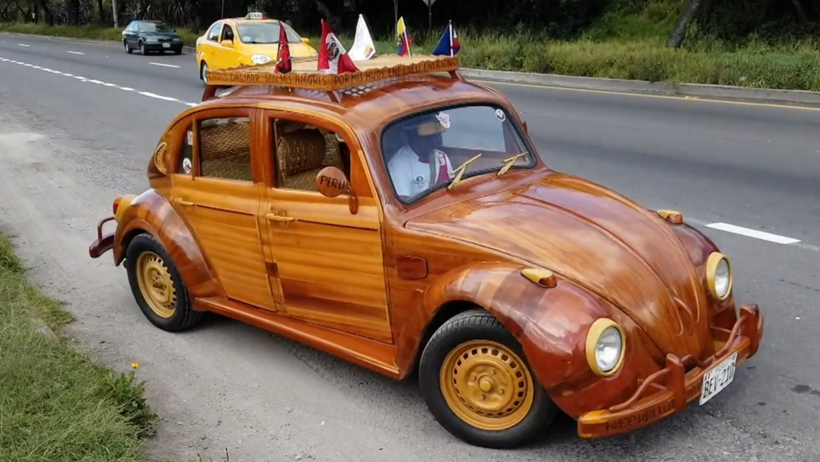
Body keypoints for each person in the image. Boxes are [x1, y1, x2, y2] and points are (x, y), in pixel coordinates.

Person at [387, 114, 455, 199]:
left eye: (437, 135)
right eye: (429, 137)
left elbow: (451, 191)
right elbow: (404, 207)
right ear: (413, 137)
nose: (436, 140)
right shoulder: (399, 165)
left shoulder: (441, 158)